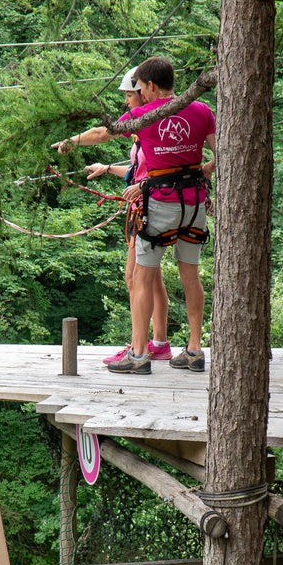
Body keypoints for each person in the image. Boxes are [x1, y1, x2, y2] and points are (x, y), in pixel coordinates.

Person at [54, 57, 215, 375]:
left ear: (151, 86)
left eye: (140, 86)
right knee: (191, 277)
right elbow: (224, 152)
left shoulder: (145, 115)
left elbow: (104, 133)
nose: (139, 92)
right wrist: (203, 173)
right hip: (194, 203)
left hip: (160, 205)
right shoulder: (202, 111)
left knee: (141, 280)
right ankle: (194, 350)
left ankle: (139, 354)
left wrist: (72, 141)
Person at [82, 67, 171, 365]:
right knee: (153, 278)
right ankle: (158, 342)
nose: (127, 102)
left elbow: (101, 134)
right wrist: (107, 168)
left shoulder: (144, 124)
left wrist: (72, 142)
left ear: (145, 91)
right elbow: (138, 171)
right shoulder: (143, 131)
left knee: (134, 279)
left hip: (148, 208)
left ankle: (138, 348)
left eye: (130, 95)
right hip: (148, 204)